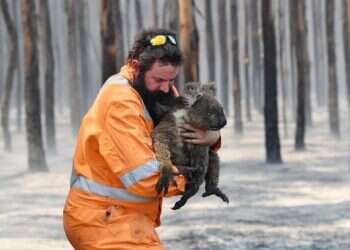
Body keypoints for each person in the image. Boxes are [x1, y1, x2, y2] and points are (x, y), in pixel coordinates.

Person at [63, 29, 221, 250]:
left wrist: (212, 137)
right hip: (101, 221)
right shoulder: (120, 102)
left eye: (171, 80)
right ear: (136, 67)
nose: (167, 88)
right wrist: (194, 176)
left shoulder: (157, 88)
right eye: (159, 80)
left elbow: (187, 132)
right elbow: (146, 178)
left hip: (127, 220)